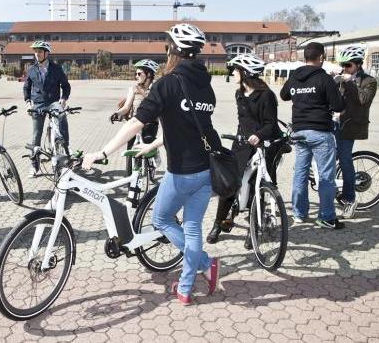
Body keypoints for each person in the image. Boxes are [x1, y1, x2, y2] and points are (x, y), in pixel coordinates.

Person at [83, 23, 221, 305]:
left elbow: (136, 121)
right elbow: (188, 126)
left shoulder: (168, 83)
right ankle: (185, 288)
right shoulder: (207, 87)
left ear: (174, 49)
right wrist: (154, 144)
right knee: (192, 227)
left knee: (161, 219)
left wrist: (103, 151)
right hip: (206, 169)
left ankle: (205, 264)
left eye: (167, 45)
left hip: (181, 172)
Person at [206, 54, 282, 246]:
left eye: (236, 70)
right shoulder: (239, 92)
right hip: (241, 144)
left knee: (259, 187)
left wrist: (259, 135)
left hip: (262, 144)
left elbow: (271, 124)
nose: (233, 73)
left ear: (246, 72)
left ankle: (254, 229)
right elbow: (243, 122)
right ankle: (218, 223)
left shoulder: (267, 96)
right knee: (230, 184)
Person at [280, 42, 345, 229]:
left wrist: (299, 94)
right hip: (320, 132)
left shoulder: (294, 76)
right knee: (325, 177)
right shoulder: (324, 78)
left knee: (300, 173)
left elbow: (284, 95)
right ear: (321, 57)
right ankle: (326, 216)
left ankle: (299, 214)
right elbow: (339, 106)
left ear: (305, 57)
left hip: (299, 132)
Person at [333, 45, 377, 219]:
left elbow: (362, 99)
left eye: (348, 65)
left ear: (358, 65)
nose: (345, 69)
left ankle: (350, 199)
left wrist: (349, 82)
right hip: (334, 123)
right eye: (343, 65)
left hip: (351, 126)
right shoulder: (341, 78)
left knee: (345, 159)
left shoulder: (369, 81)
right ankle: (335, 190)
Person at [23, 40, 71, 177]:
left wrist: (63, 99)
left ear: (46, 53)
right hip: (37, 104)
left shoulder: (57, 69)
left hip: (53, 102)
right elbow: (26, 87)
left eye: (39, 51)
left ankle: (65, 148)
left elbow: (66, 85)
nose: (36, 54)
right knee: (36, 136)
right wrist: (27, 102)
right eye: (35, 51)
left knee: (61, 115)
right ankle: (34, 166)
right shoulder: (31, 69)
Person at [110, 59, 160, 152]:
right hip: (134, 122)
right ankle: (129, 166)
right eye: (135, 74)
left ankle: (154, 155)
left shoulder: (156, 88)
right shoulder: (133, 88)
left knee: (148, 140)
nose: (136, 76)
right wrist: (117, 113)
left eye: (139, 74)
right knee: (130, 147)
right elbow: (126, 107)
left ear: (148, 74)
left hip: (150, 124)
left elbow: (158, 105)